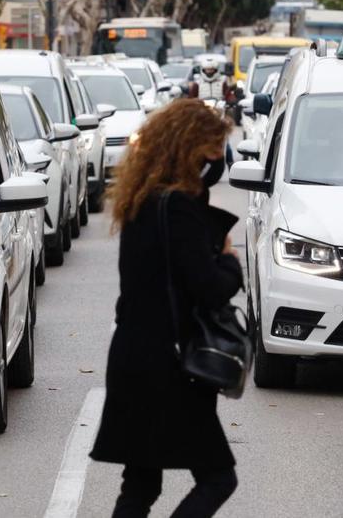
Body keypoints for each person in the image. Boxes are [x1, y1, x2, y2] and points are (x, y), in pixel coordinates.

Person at [91, 99, 242, 518]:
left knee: (140, 483)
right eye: (213, 151)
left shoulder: (142, 201)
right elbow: (210, 289)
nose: (218, 161)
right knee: (217, 478)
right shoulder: (177, 207)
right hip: (169, 366)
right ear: (190, 149)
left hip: (132, 357)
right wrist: (230, 261)